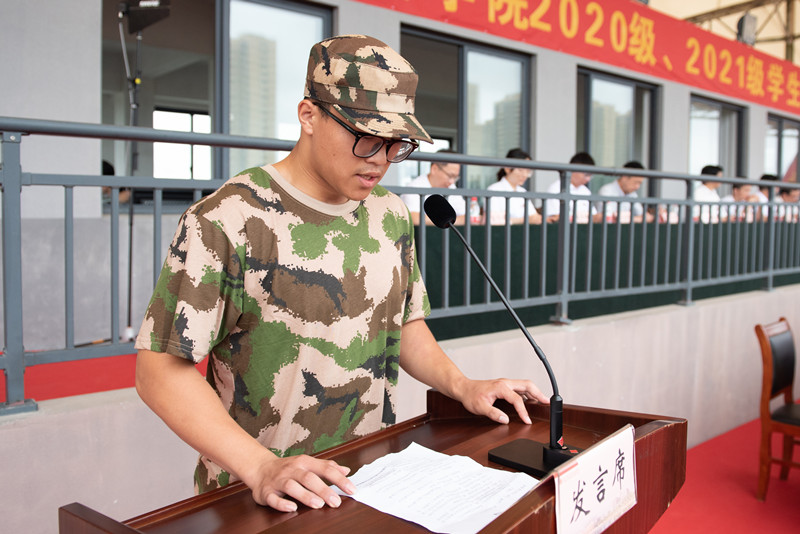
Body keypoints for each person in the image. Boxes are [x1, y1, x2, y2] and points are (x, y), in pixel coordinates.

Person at [134, 34, 548, 514]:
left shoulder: (390, 214)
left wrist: (463, 386)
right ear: (308, 115)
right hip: (260, 499)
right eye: (366, 137)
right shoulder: (229, 219)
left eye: (396, 145)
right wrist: (261, 466)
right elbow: (158, 371)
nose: (380, 160)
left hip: (368, 483)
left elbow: (401, 324)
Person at [400, 149, 466, 225]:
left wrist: (445, 222)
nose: (452, 181)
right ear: (434, 169)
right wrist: (448, 221)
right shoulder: (414, 188)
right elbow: (414, 218)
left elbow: (466, 217)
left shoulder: (451, 187)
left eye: (455, 177)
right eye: (450, 176)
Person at [486, 148, 542, 225]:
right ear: (507, 169)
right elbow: (494, 220)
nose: (525, 175)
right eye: (520, 170)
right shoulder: (493, 190)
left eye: (528, 171)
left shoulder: (523, 192)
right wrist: (524, 220)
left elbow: (534, 216)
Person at [543, 152, 599, 223]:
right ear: (574, 169)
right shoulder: (556, 188)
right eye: (586, 175)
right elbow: (555, 218)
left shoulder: (585, 191)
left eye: (591, 175)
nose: (588, 179)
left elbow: (593, 216)